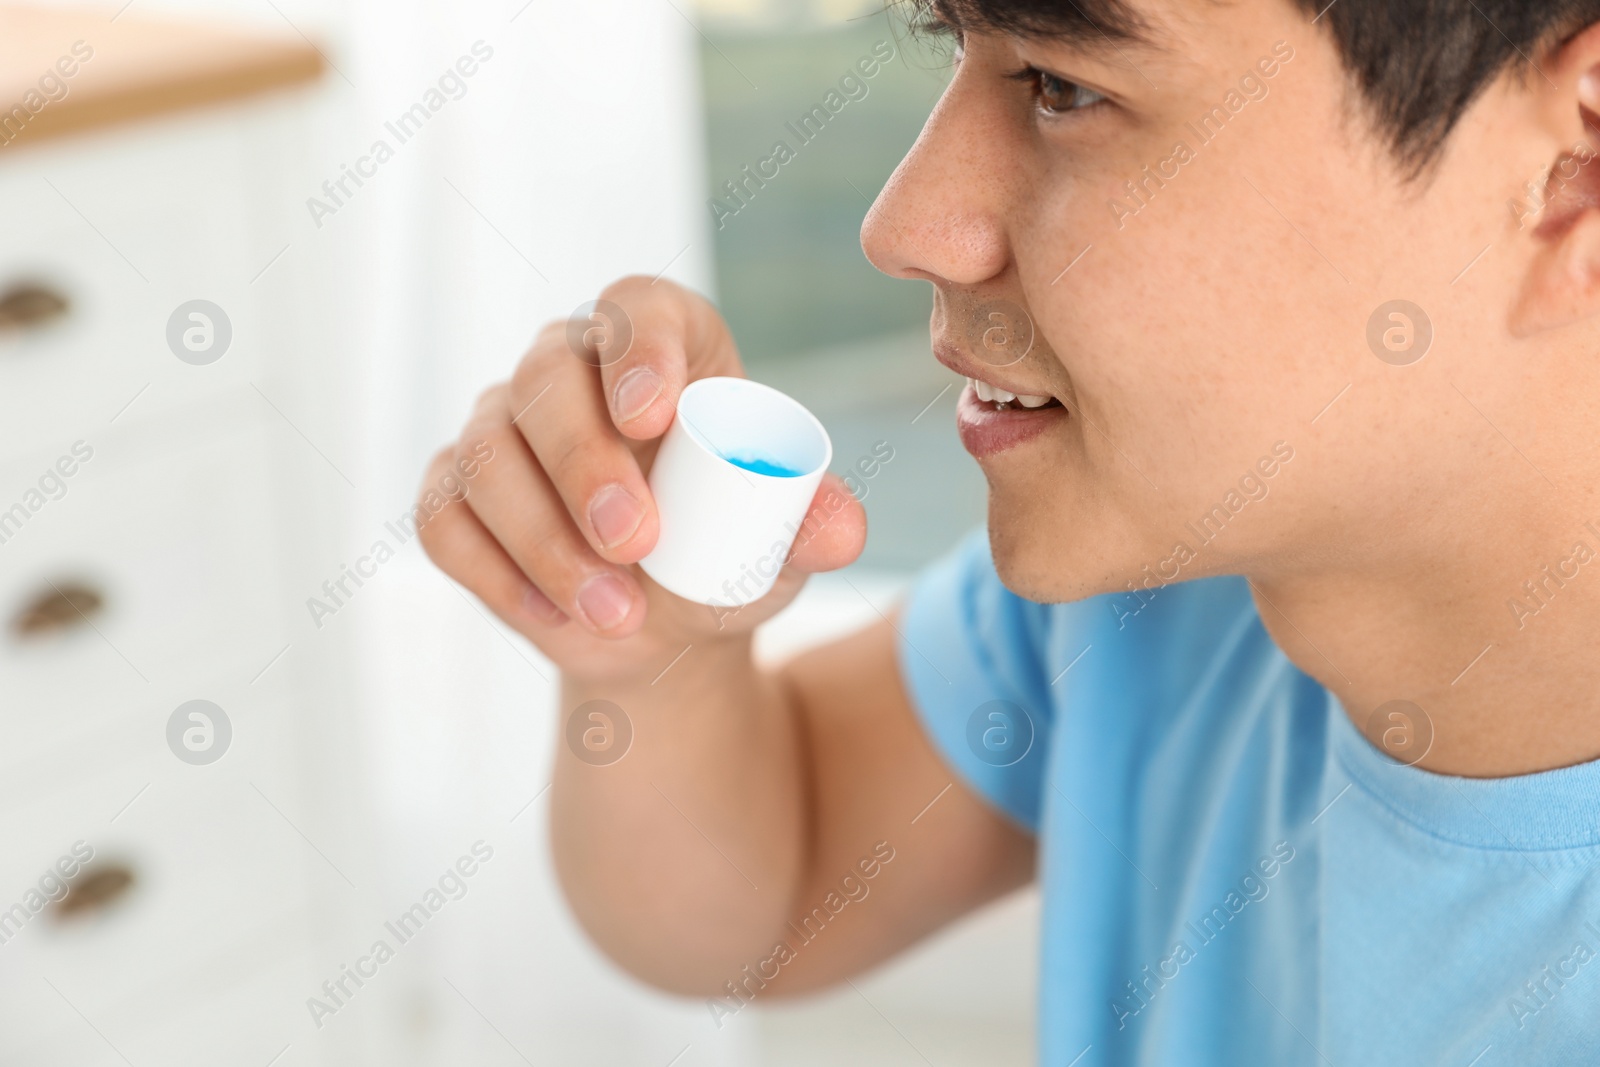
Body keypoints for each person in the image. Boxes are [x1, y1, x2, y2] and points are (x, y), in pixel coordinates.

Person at [419, 0, 1600, 1061]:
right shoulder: (1167, 586)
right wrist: (653, 648)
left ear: (1573, 166)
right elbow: (772, 883)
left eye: (1064, 84)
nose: (903, 224)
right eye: (951, 43)